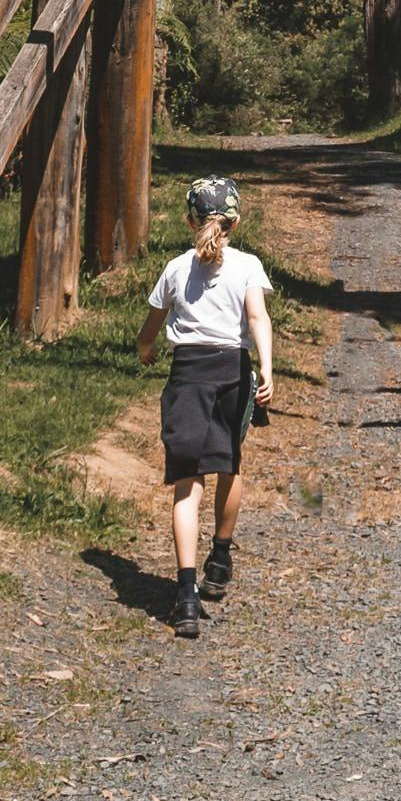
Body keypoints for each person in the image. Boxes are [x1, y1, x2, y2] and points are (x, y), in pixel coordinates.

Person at [135, 174, 276, 641]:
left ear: (187, 219)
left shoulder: (176, 268)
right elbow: (257, 317)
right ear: (236, 221)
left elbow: (152, 325)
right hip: (233, 373)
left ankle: (186, 595)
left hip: (189, 376)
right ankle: (220, 554)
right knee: (230, 465)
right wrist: (268, 369)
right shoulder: (248, 266)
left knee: (186, 483)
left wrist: (145, 349)